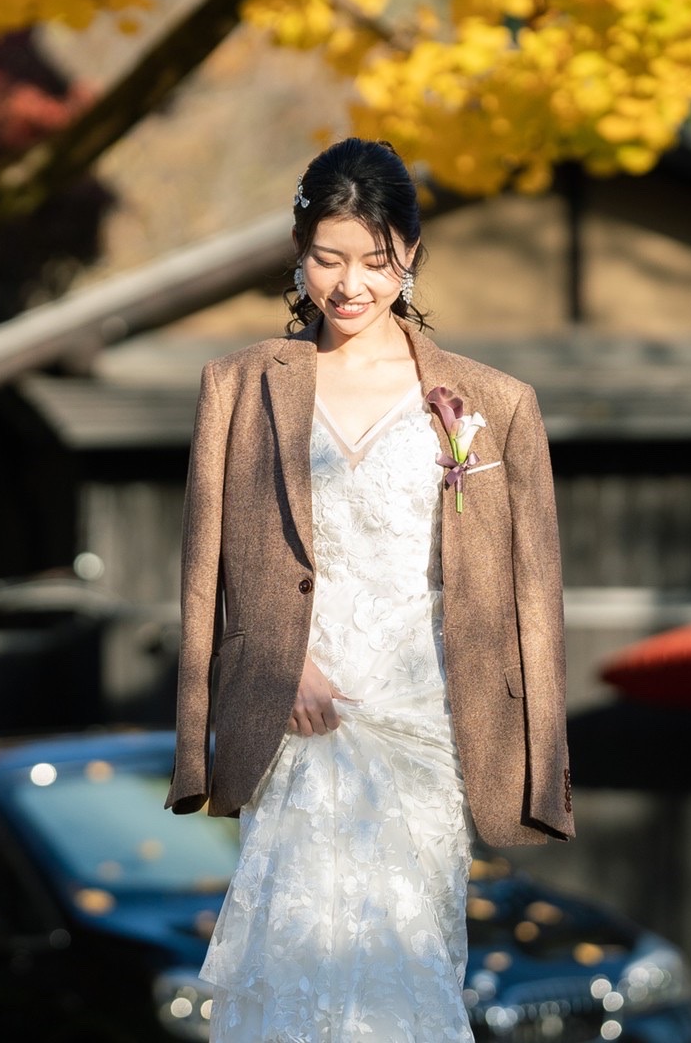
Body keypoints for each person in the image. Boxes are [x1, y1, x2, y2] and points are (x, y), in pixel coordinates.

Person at [165, 138, 572, 1043]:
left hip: (424, 720)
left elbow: (530, 592)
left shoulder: (490, 402)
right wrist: (277, 665)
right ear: (299, 253)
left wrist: (542, 757)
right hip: (293, 719)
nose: (350, 285)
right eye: (328, 259)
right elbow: (209, 571)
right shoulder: (238, 387)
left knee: (407, 959)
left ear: (412, 257)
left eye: (376, 262)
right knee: (295, 954)